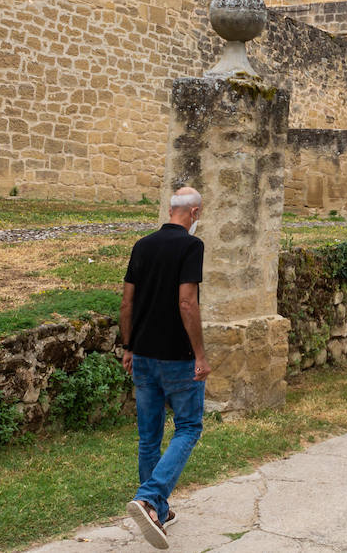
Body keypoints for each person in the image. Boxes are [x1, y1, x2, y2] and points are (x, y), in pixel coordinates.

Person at [121, 186, 211, 549]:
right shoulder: (192, 246)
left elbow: (127, 302)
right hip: (178, 358)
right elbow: (187, 303)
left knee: (149, 437)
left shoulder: (142, 246)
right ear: (194, 213)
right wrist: (200, 355)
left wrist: (128, 347)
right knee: (189, 427)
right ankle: (148, 497)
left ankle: (157, 510)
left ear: (171, 209)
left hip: (142, 355)